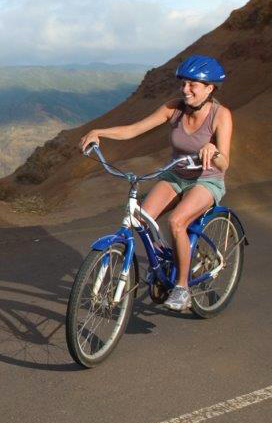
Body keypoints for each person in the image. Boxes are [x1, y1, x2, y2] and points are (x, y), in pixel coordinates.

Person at [78, 55, 233, 312]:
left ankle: (182, 288)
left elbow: (225, 162)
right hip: (176, 176)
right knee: (142, 218)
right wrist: (99, 132)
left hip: (207, 179)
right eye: (183, 83)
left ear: (210, 87)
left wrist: (213, 151)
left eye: (193, 84)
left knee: (177, 222)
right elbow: (133, 130)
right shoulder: (174, 109)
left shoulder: (221, 115)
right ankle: (165, 262)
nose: (185, 89)